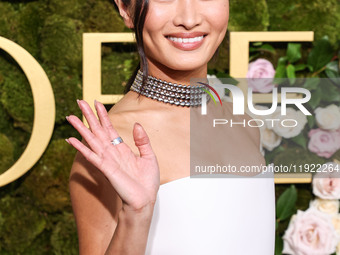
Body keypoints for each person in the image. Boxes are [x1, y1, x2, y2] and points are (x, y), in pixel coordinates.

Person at [66, 0, 276, 254]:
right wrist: (136, 214)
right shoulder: (112, 146)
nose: (189, 19)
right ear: (124, 8)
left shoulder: (244, 123)